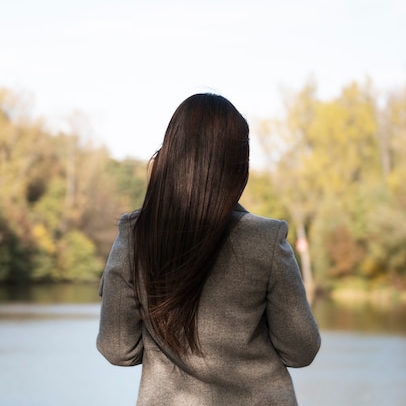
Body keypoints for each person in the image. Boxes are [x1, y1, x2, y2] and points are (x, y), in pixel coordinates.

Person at [97, 93, 320, 405]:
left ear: (169, 154)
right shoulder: (266, 239)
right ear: (238, 166)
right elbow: (301, 351)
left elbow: (117, 349)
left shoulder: (135, 236)